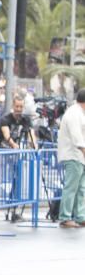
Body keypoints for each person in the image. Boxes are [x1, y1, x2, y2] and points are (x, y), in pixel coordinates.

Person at [56, 89, 85, 228]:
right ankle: (65, 217)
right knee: (71, 187)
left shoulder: (79, 113)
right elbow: (77, 137)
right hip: (73, 155)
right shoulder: (74, 113)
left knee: (81, 188)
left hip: (79, 157)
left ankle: (80, 216)